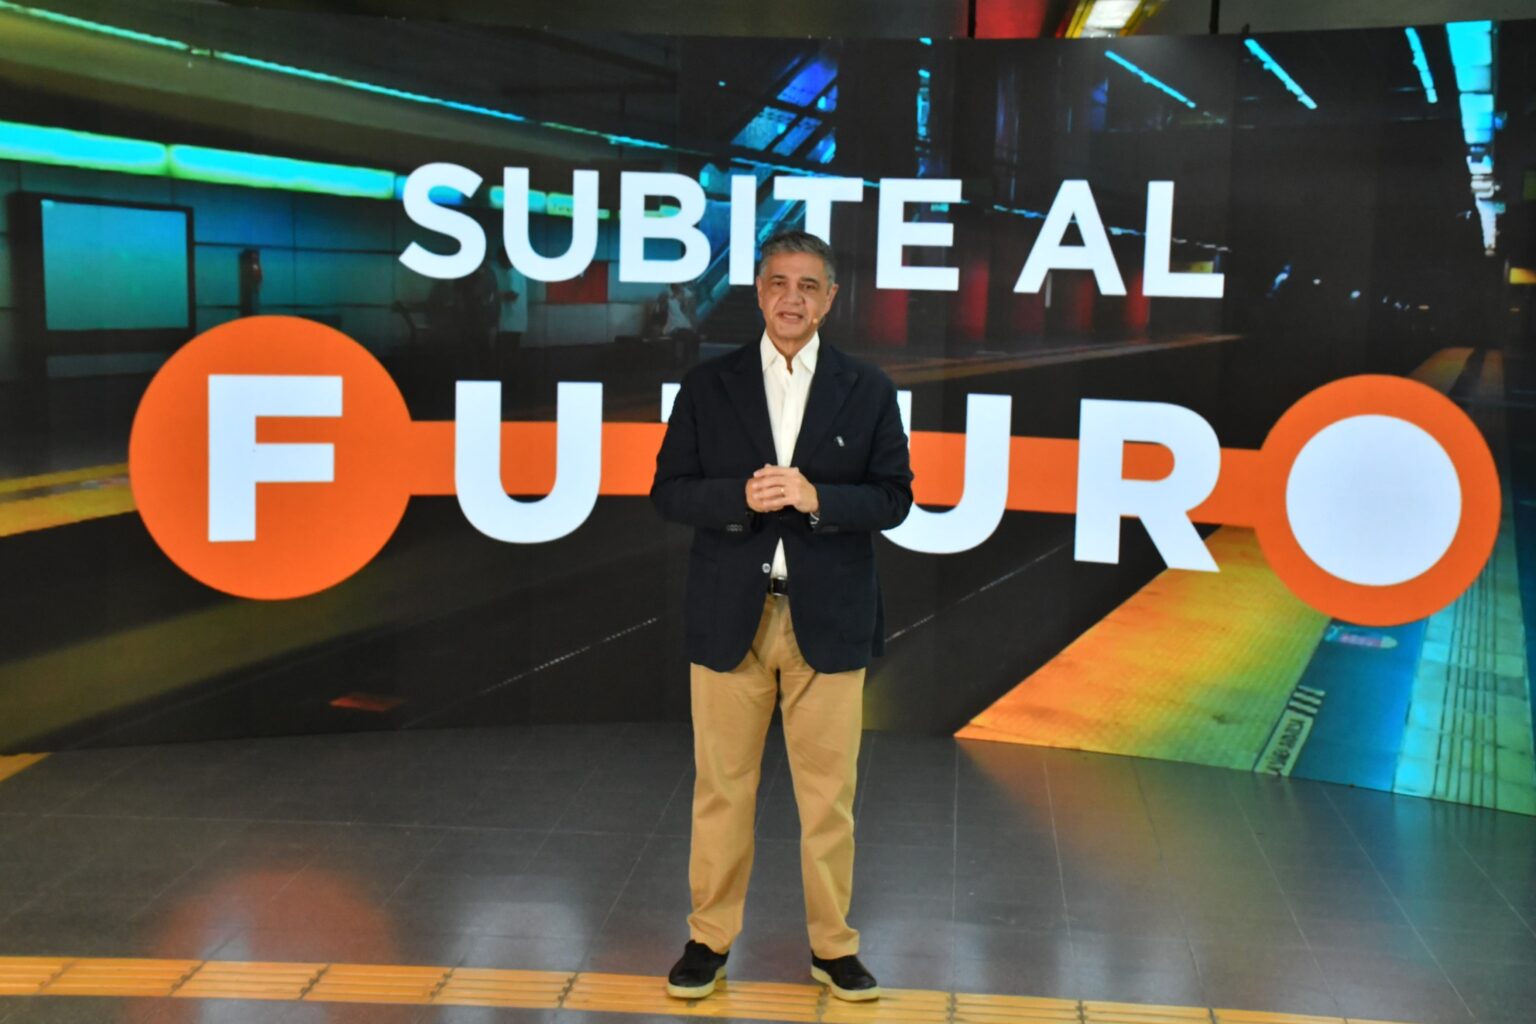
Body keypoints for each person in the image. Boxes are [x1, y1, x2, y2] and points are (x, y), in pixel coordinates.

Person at [650, 231, 913, 1003]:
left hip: (828, 619)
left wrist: (818, 498)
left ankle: (834, 948)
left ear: (830, 298)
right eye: (777, 283)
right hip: (730, 616)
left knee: (828, 798)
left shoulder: (868, 388)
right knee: (721, 789)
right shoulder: (709, 384)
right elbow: (669, 491)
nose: (791, 298)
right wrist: (740, 496)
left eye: (807, 285)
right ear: (758, 292)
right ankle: (708, 939)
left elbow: (894, 497)